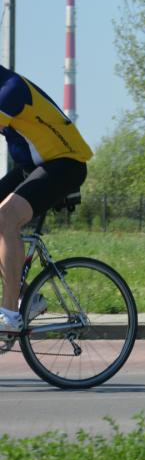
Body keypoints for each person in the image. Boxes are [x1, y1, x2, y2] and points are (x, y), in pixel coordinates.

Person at [0, 65, 93, 333]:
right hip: (34, 166)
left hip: (65, 163)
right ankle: (27, 299)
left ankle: (10, 314)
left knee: (6, 218)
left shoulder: (10, 91)